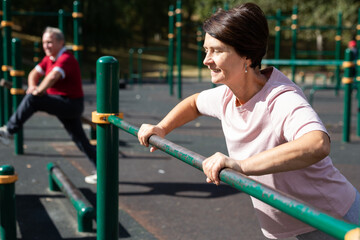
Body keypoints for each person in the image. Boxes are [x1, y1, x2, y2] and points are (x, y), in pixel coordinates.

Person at [137, 3, 359, 240]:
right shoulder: (227, 94)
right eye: (205, 50)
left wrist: (241, 165)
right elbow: (194, 103)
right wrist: (162, 127)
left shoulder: (281, 99)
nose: (206, 60)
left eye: (216, 51)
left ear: (246, 56)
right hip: (287, 228)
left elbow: (317, 144)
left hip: (331, 221)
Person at [0, 27, 97, 184]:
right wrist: (33, 87)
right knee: (80, 140)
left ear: (61, 42)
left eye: (50, 42)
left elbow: (52, 76)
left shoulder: (66, 58)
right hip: (61, 102)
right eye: (44, 42)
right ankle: (103, 168)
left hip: (70, 104)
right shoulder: (49, 58)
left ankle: (9, 131)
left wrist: (38, 91)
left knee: (33, 100)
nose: (46, 46)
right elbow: (33, 73)